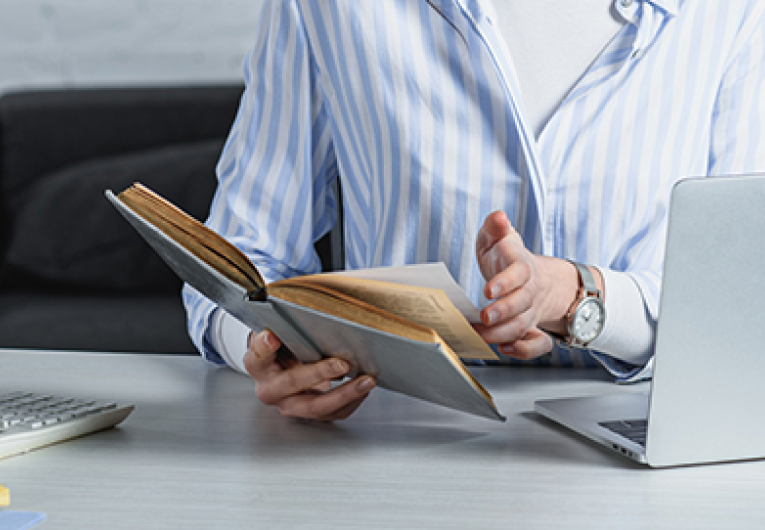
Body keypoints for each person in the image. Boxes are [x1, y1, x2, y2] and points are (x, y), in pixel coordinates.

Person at [183, 0, 765, 421]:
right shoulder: (328, 8)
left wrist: (582, 298)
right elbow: (238, 259)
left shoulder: (729, 12)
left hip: (645, 446)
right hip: (391, 440)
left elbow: (742, 301)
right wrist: (261, 350)